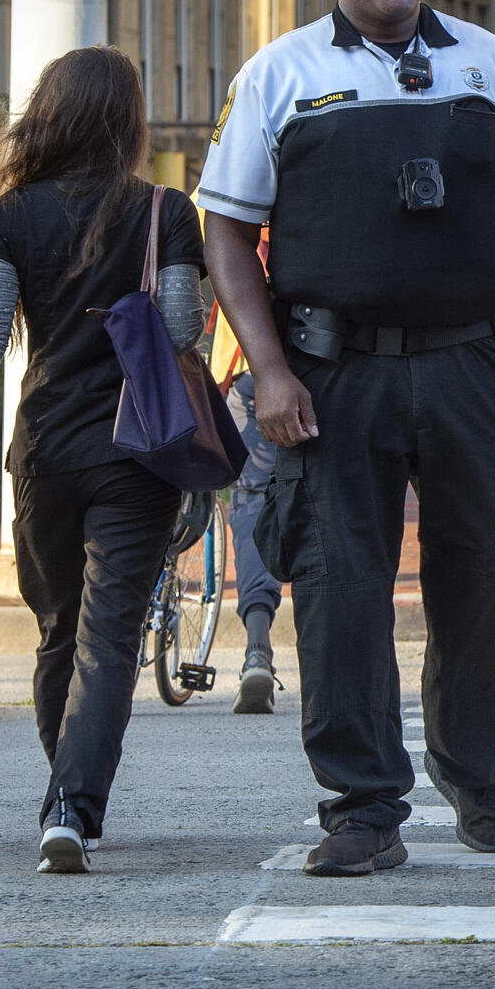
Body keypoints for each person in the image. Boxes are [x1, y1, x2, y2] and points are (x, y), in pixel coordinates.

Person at [197, 0, 495, 875]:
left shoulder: (491, 64)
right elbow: (223, 232)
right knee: (338, 585)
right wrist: (266, 368)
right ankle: (363, 806)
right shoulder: (282, 73)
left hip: (470, 361)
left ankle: (474, 768)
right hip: (330, 372)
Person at [0, 48, 204, 870]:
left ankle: (66, 797)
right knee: (107, 636)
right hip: (140, 447)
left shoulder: (10, 217)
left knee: (58, 629)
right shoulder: (165, 211)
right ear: (126, 119)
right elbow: (185, 330)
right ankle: (72, 807)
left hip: (44, 450)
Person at [207, 246, 284, 713]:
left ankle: (258, 648)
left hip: (251, 364)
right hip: (339, 357)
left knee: (252, 498)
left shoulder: (228, 182)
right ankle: (343, 666)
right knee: (339, 499)